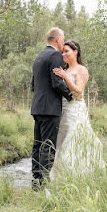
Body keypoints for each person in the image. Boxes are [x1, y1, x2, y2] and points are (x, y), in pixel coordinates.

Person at [50, 40, 105, 180]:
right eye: (62, 52)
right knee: (62, 142)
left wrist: (65, 78)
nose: (63, 54)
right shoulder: (65, 69)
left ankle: (79, 176)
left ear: (76, 51)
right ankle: (61, 177)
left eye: (66, 51)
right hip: (63, 110)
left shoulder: (81, 69)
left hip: (75, 109)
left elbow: (78, 91)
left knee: (73, 140)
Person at [31, 27, 73, 189]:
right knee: (48, 146)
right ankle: (43, 184)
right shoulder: (55, 55)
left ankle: (35, 181)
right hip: (50, 108)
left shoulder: (39, 56)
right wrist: (70, 96)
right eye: (63, 39)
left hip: (37, 107)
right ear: (57, 39)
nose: (63, 43)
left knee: (38, 145)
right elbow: (56, 83)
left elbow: (33, 84)